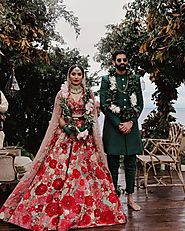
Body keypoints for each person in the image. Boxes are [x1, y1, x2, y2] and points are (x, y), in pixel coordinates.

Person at [0, 64, 126, 231]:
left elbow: (91, 115)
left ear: (82, 76)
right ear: (69, 75)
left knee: (90, 172)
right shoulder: (62, 93)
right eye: (73, 73)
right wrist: (69, 130)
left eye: (79, 74)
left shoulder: (88, 93)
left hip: (85, 136)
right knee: (53, 172)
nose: (76, 76)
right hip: (65, 136)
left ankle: (89, 211)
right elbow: (58, 116)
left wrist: (83, 129)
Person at [100, 50, 144, 211]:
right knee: (113, 164)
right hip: (113, 128)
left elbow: (140, 103)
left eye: (124, 59)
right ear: (113, 62)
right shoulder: (106, 80)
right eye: (119, 60)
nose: (122, 62)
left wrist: (131, 122)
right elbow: (104, 104)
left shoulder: (135, 79)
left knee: (131, 163)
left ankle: (131, 199)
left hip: (131, 127)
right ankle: (114, 200)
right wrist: (119, 123)